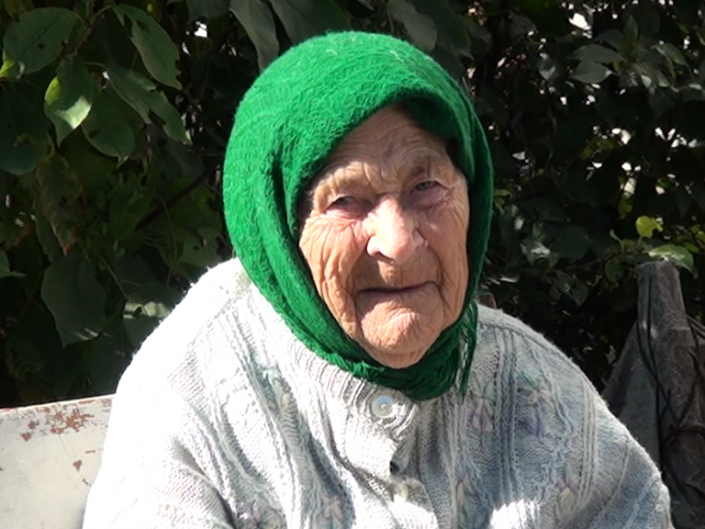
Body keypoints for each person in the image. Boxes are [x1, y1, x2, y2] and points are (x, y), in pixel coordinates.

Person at [83, 32, 672, 528]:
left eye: (426, 187)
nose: (398, 241)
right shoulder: (192, 394)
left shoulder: (525, 379)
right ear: (280, 231)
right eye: (346, 200)